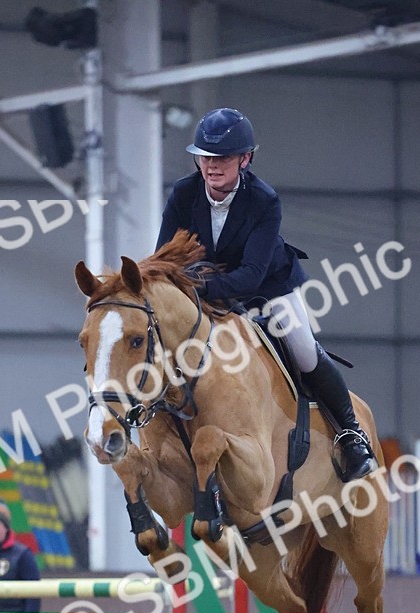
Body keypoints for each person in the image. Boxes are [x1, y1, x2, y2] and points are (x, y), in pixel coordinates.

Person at [156, 106, 378, 481]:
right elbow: (163, 256)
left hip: (267, 288)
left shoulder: (263, 200)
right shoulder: (183, 193)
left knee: (304, 350)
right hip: (206, 292)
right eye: (205, 157)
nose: (211, 166)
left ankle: (351, 433)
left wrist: (195, 286)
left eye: (222, 157)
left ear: (245, 159)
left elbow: (251, 275)